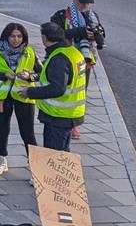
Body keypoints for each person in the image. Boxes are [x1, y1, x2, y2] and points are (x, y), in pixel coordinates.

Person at [16, 21, 86, 152]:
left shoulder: (59, 58)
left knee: (54, 155)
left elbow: (57, 88)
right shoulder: (72, 52)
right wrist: (31, 76)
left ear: (44, 38)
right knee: (62, 154)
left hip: (59, 115)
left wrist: (30, 92)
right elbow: (51, 75)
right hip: (71, 112)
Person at [0, 23, 39, 176]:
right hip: (2, 96)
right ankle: (1, 161)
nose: (16, 39)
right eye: (12, 36)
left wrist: (29, 77)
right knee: (2, 129)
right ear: (6, 37)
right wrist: (3, 75)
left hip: (23, 95)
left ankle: (35, 168)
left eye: (19, 36)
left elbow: (40, 74)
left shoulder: (30, 52)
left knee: (27, 133)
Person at [51, 0, 105, 69]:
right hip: (65, 60)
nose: (85, 5)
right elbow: (55, 36)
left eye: (88, 2)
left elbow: (101, 40)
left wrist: (95, 35)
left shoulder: (92, 16)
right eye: (82, 2)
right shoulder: (61, 15)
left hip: (85, 62)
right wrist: (81, 32)